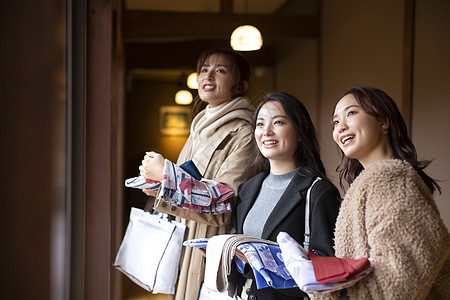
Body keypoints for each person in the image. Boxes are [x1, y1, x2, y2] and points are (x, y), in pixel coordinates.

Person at [139, 48, 257, 300]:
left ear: (240, 86)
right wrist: (158, 184)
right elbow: (187, 182)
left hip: (213, 244)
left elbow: (225, 204)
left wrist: (167, 176)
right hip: (184, 237)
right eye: (204, 69)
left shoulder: (243, 133)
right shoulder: (200, 126)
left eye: (220, 70)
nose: (208, 76)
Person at [318, 86, 450, 299]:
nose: (340, 127)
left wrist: (330, 292)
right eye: (335, 122)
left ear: (383, 121)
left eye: (351, 113)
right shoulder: (373, 181)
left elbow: (400, 278)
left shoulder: (391, 178)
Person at [232, 92, 342, 300]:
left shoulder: (318, 192)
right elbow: (246, 268)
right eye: (260, 124)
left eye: (279, 122)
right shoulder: (248, 189)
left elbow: (328, 269)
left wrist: (262, 261)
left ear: (300, 132)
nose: (267, 132)